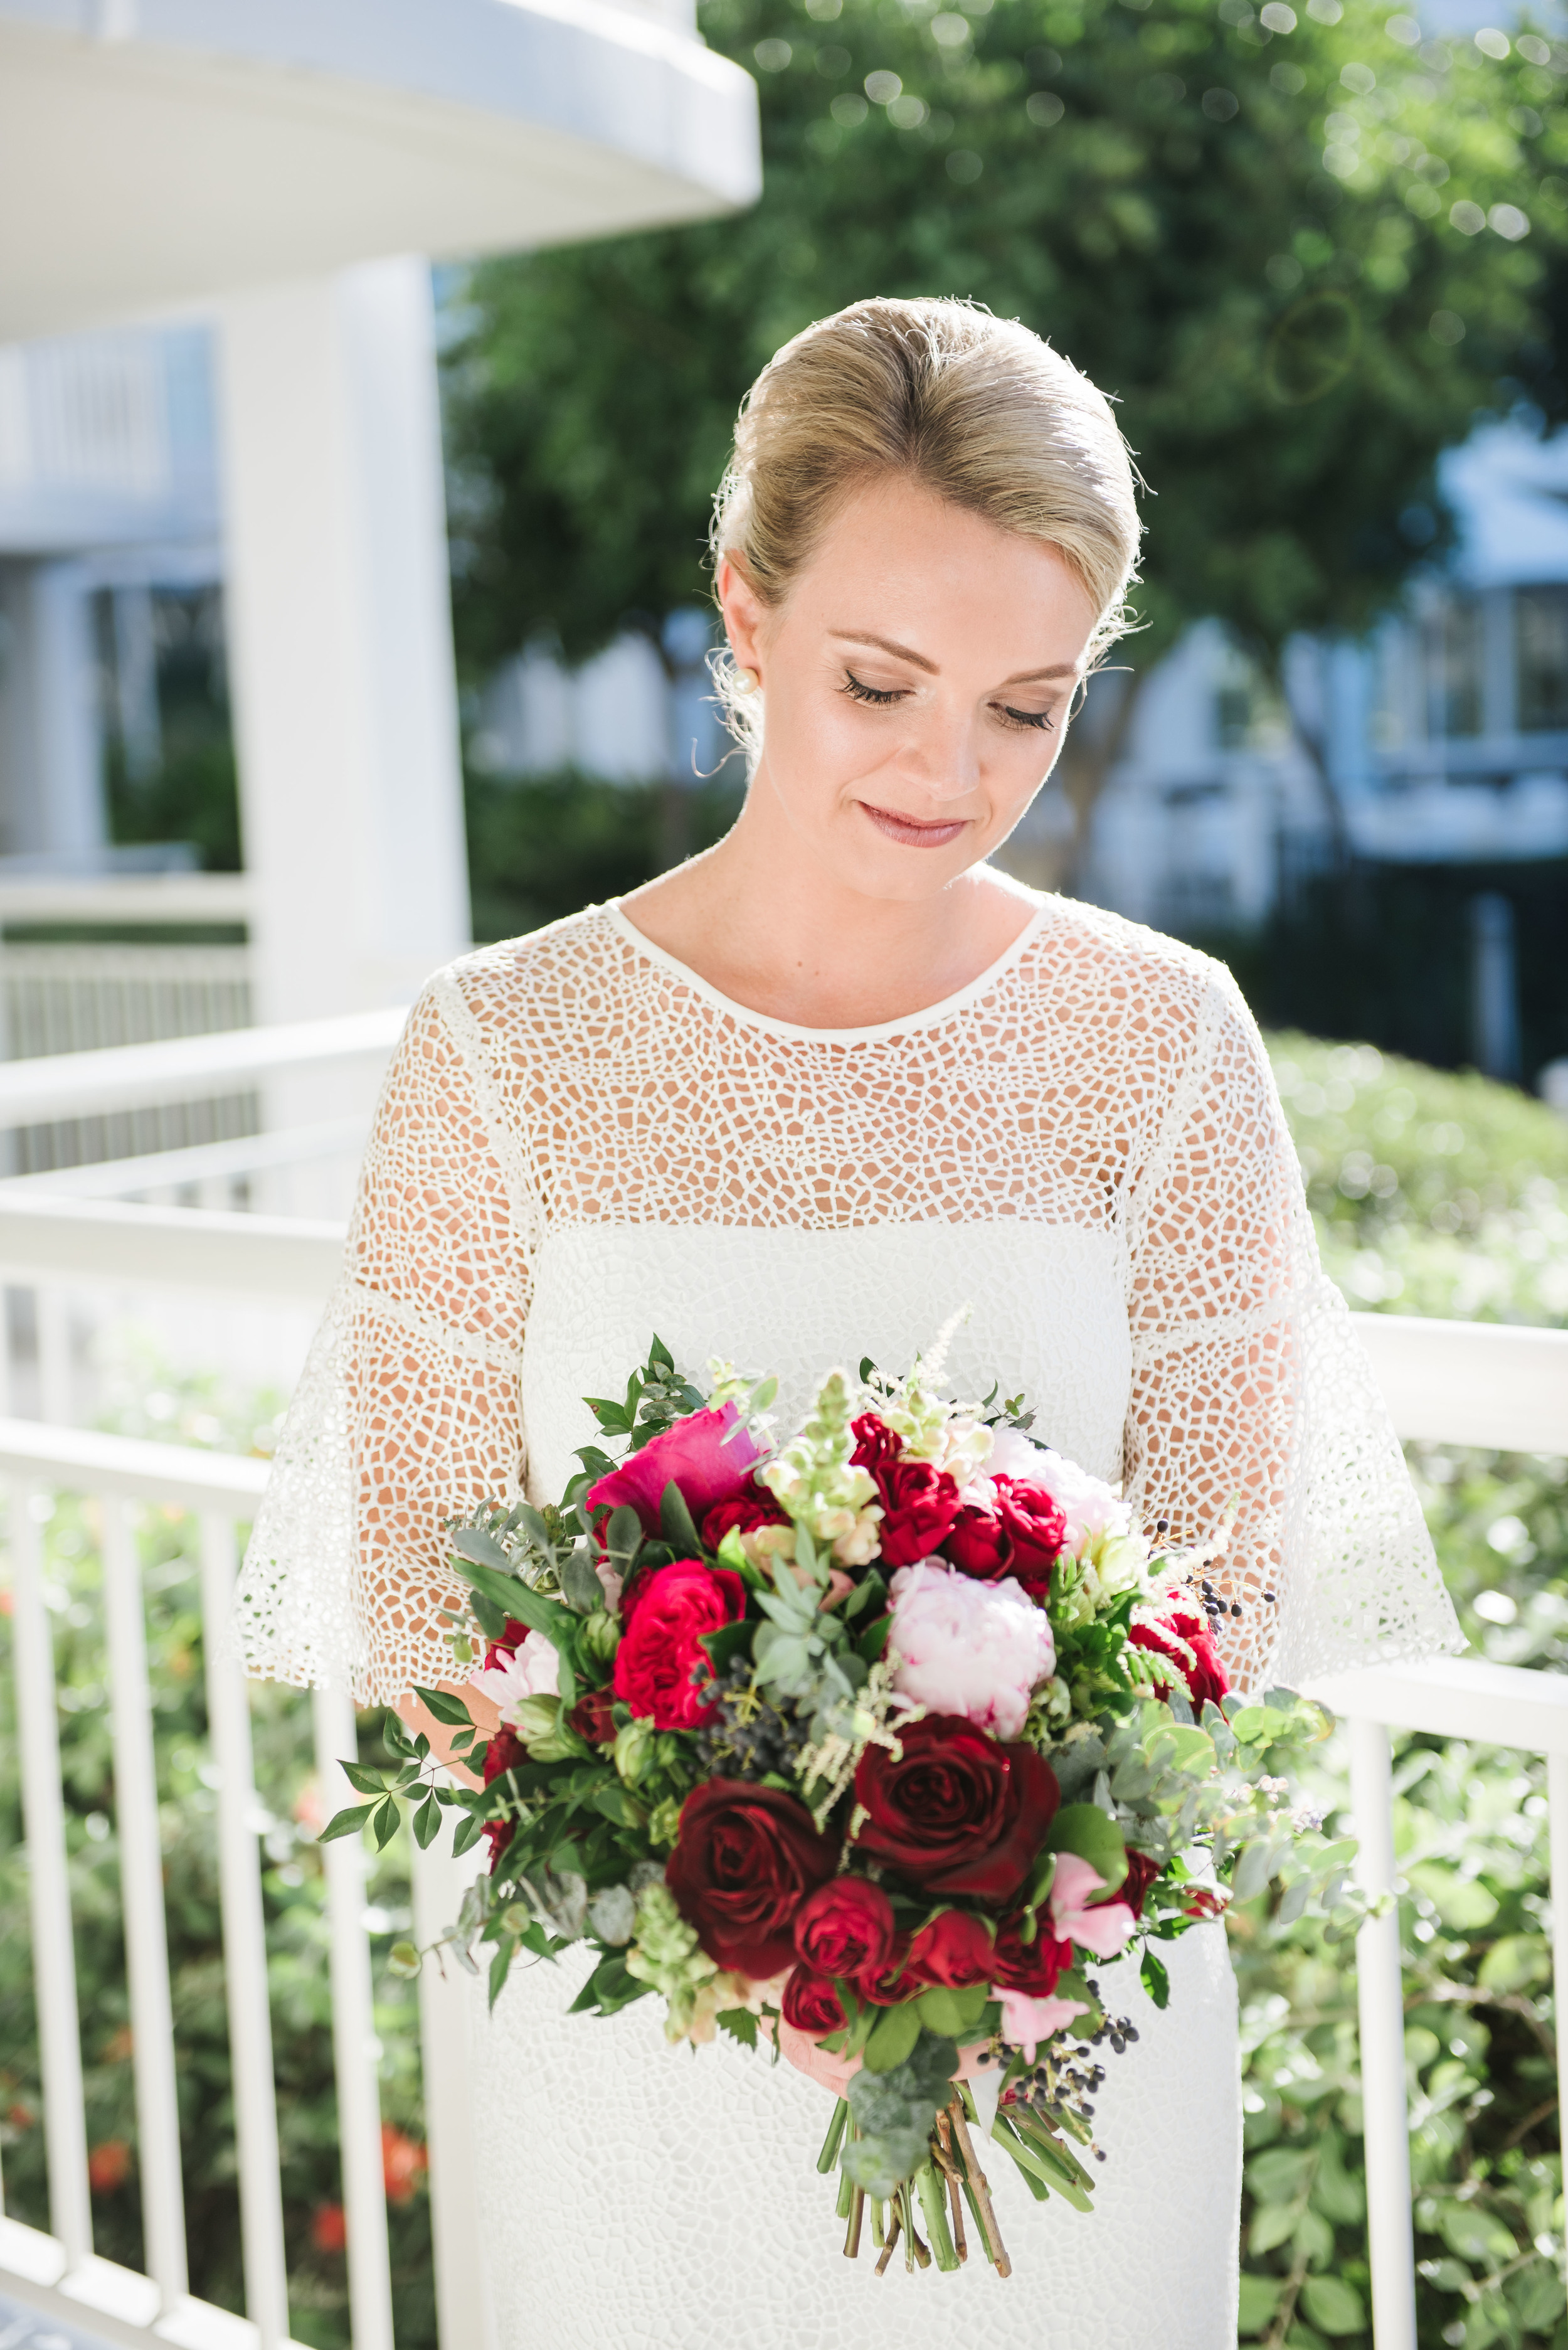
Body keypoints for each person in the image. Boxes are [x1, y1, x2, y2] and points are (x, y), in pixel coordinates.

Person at [238, 296, 1459, 2349]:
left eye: (1027, 702)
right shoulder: (497, 1055)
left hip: (1044, 2043)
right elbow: (417, 1617)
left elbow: (1232, 1596)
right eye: (882, 681)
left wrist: (965, 1932)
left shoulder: (1160, 1040)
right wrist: (757, 1943)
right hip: (620, 2065)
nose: (949, 768)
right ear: (742, 610)